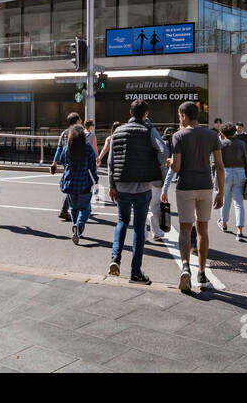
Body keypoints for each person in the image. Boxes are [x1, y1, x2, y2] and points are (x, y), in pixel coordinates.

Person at [106, 100, 163, 285]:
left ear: (130, 112)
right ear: (145, 114)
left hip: (122, 184)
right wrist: (158, 171)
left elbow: (111, 162)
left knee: (122, 221)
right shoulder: (149, 130)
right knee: (139, 227)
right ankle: (135, 271)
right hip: (142, 186)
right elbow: (163, 149)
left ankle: (115, 258)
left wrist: (112, 185)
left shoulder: (118, 131)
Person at [171, 101, 224, 292]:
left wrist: (170, 162)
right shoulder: (212, 135)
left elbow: (176, 167)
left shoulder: (178, 136)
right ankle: (202, 272)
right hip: (205, 186)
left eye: (179, 116)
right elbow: (219, 165)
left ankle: (186, 266)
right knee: (203, 231)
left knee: (185, 229)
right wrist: (221, 191)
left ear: (184, 116)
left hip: (185, 186)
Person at [53, 124, 98, 243]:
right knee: (85, 208)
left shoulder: (67, 148)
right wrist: (95, 180)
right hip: (84, 183)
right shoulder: (88, 148)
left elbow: (63, 161)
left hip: (70, 183)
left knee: (73, 208)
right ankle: (78, 226)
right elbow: (93, 166)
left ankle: (75, 229)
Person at [217, 124, 247, 241]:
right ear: (234, 131)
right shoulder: (242, 144)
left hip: (226, 172)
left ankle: (224, 223)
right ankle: (239, 230)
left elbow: (217, 163)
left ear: (223, 133)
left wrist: (216, 181)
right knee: (238, 202)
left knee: (225, 199)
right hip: (240, 171)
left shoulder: (222, 144)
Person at [57, 112, 83, 221]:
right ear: (77, 121)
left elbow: (59, 148)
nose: (81, 121)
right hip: (76, 161)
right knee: (74, 186)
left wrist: (54, 162)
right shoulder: (78, 132)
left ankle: (67, 209)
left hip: (66, 162)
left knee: (70, 185)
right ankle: (67, 209)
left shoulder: (63, 133)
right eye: (80, 119)